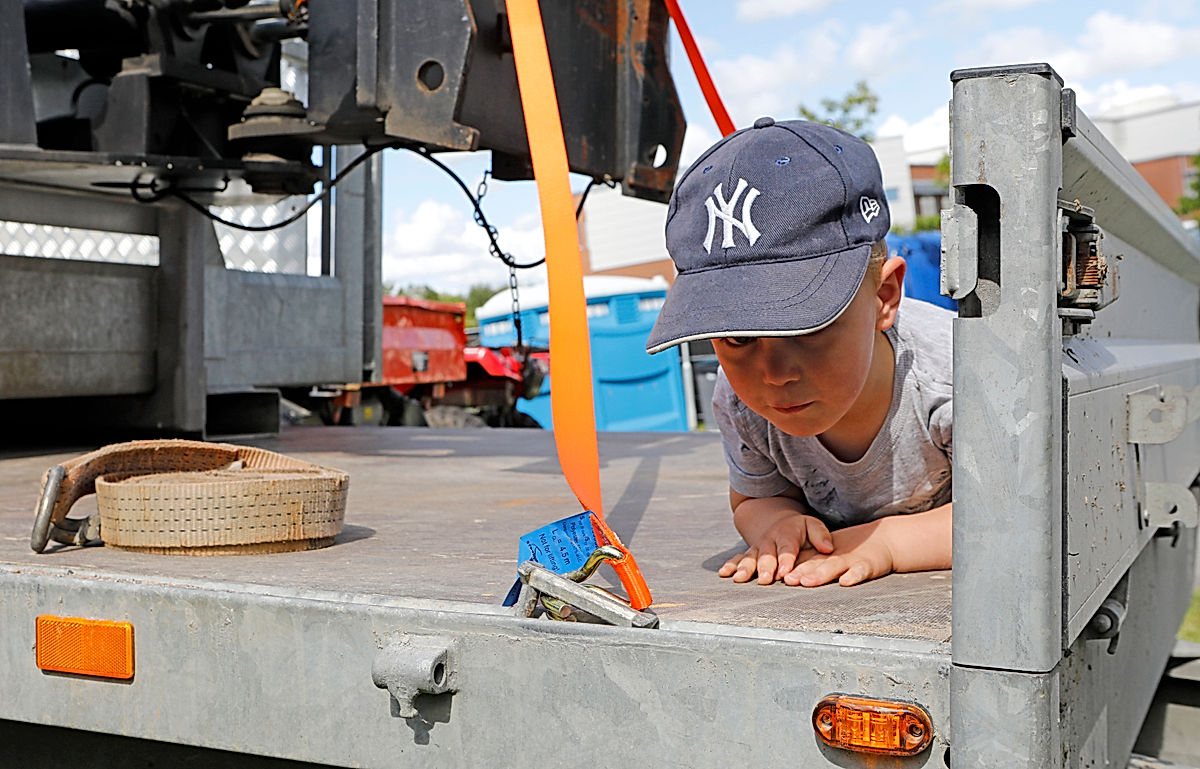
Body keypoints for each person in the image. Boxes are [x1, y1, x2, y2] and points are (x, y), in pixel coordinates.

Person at [645, 117, 953, 587]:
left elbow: (1014, 510)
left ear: (883, 297)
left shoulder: (956, 377)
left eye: (808, 326)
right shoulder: (739, 402)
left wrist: (888, 544)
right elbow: (754, 498)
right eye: (738, 338)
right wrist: (775, 524)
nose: (774, 373)